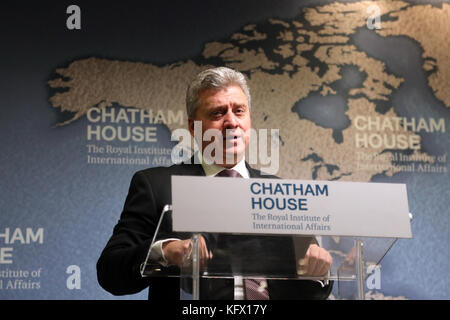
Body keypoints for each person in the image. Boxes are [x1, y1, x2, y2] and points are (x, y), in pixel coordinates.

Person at [97, 66, 333, 299]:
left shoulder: (281, 192)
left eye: (239, 111)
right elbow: (111, 272)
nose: (232, 122)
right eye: (218, 113)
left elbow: (312, 290)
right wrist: (166, 251)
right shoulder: (155, 185)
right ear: (193, 127)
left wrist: (317, 271)